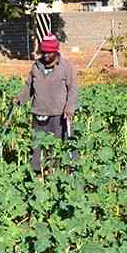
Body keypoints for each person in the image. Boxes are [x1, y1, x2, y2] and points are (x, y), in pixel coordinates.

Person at [14, 34, 78, 173]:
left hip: (58, 115)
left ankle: (57, 175)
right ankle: (38, 174)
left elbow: (72, 89)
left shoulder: (66, 67)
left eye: (50, 52)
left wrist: (70, 108)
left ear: (56, 51)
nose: (46, 55)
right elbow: (29, 87)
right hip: (38, 113)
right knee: (37, 148)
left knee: (56, 147)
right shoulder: (36, 66)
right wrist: (20, 99)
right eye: (44, 52)